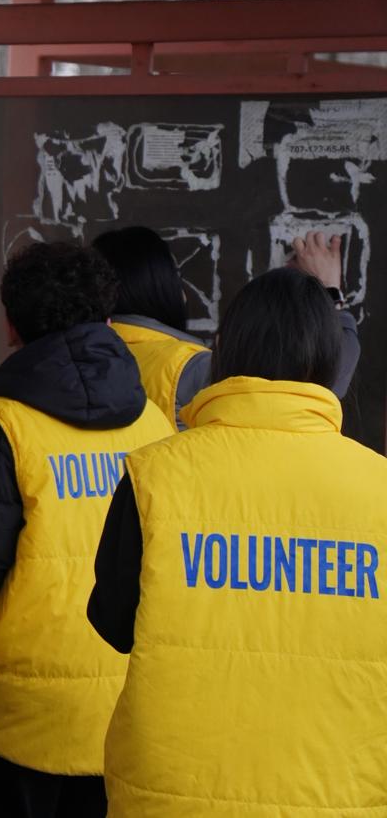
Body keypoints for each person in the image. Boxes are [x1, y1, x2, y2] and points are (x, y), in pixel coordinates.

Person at [89, 266, 387, 816]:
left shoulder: (154, 474)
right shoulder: (380, 488)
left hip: (173, 791)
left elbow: (113, 623)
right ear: (329, 360)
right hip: (339, 793)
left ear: (223, 348)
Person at [0, 242, 174, 818]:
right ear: (108, 322)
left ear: (11, 326)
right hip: (126, 709)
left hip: (20, 720)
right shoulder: (154, 423)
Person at [93, 226, 361, 429]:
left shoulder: (90, 357)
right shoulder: (189, 367)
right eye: (177, 277)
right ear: (162, 289)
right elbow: (310, 385)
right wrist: (329, 295)